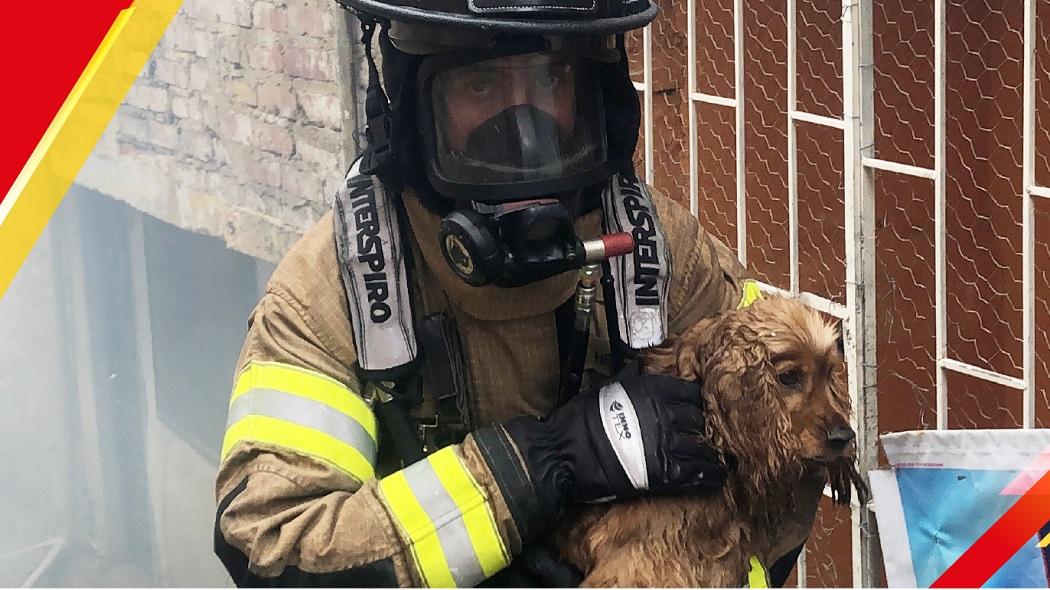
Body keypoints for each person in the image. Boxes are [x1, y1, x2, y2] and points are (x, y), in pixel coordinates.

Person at [212, 0, 780, 586]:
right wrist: (548, 462)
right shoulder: (330, 294)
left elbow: (793, 451)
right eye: (480, 84)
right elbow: (276, 549)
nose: (524, 127)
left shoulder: (662, 255)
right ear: (410, 109)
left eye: (551, 78)